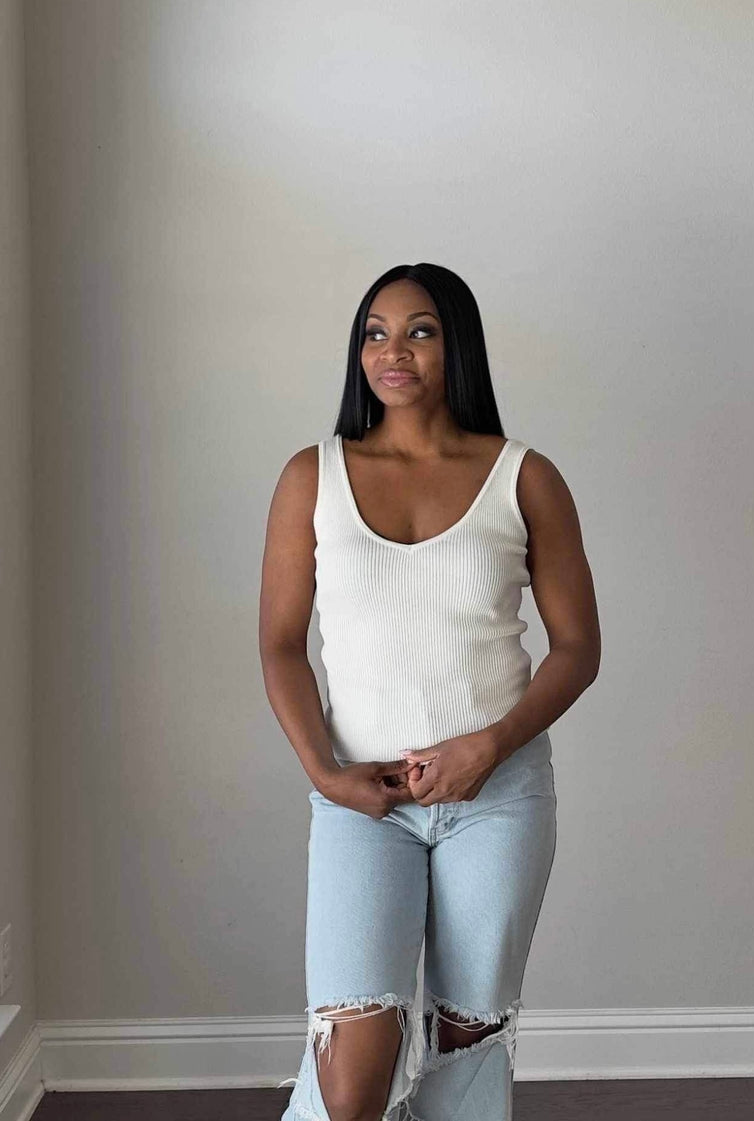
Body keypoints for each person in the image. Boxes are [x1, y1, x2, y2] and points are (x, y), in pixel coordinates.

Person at [259, 262, 601, 1121]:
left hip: (498, 798)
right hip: (360, 799)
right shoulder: (312, 475)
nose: (393, 350)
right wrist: (326, 773)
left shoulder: (524, 477)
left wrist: (491, 744)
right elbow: (280, 644)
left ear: (458, 346)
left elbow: (577, 648)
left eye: (420, 331)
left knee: (466, 1039)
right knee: (351, 1075)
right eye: (375, 333)